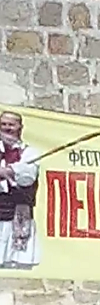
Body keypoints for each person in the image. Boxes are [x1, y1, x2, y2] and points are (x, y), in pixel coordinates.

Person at [0, 111, 40, 270]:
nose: (7, 128)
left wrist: (10, 170)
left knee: (16, 263)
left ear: (19, 127)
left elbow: (28, 177)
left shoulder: (29, 152)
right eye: (3, 124)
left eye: (11, 125)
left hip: (17, 211)